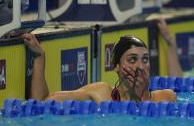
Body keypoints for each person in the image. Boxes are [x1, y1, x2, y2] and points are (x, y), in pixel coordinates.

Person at [22, 33, 176, 104]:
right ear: (116, 66)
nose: (140, 66)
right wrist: (39, 57)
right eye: (132, 59)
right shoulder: (101, 94)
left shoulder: (166, 98)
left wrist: (141, 97)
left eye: (145, 60)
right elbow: (41, 103)